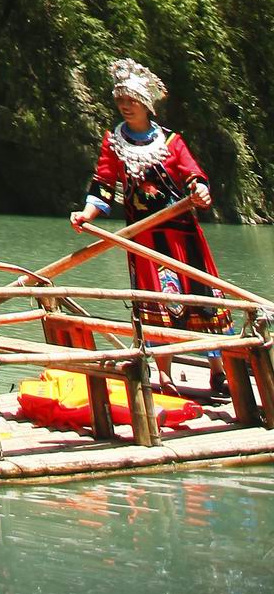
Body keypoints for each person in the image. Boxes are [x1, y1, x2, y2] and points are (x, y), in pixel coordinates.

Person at [72, 56, 221, 386]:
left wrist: (200, 191)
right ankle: (164, 374)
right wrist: (87, 213)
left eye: (132, 101)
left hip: (183, 237)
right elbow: (103, 186)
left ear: (147, 104)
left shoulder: (171, 142)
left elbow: (193, 175)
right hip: (144, 239)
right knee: (158, 304)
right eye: (121, 100)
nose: (125, 106)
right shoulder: (113, 142)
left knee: (202, 298)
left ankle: (219, 370)